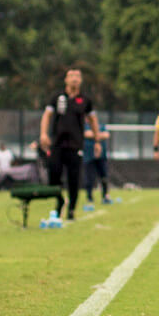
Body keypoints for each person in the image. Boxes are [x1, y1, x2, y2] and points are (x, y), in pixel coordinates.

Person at [39, 67, 102, 220]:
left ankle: (71, 209)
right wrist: (43, 134)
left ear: (81, 80)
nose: (74, 78)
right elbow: (47, 115)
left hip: (76, 146)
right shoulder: (57, 97)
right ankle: (61, 200)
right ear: (66, 80)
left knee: (74, 179)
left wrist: (97, 141)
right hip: (58, 144)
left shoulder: (85, 100)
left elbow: (93, 120)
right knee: (53, 174)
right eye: (71, 76)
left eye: (77, 76)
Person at [84, 126, 111, 205]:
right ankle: (89, 197)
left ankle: (105, 196)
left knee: (104, 177)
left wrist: (93, 135)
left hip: (101, 156)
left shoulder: (101, 126)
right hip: (89, 156)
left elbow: (107, 135)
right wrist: (99, 135)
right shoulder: (85, 125)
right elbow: (85, 134)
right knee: (89, 177)